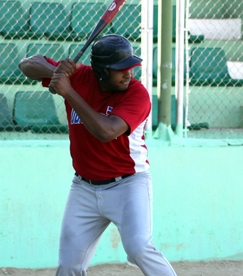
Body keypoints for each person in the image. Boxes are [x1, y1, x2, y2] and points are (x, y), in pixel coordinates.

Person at [19, 34, 177, 276]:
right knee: (69, 266)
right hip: (84, 187)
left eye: (131, 67)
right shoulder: (79, 77)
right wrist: (57, 69)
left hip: (128, 185)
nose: (129, 74)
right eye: (120, 69)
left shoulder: (137, 94)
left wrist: (68, 92)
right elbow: (26, 64)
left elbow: (107, 131)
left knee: (138, 248)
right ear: (101, 71)